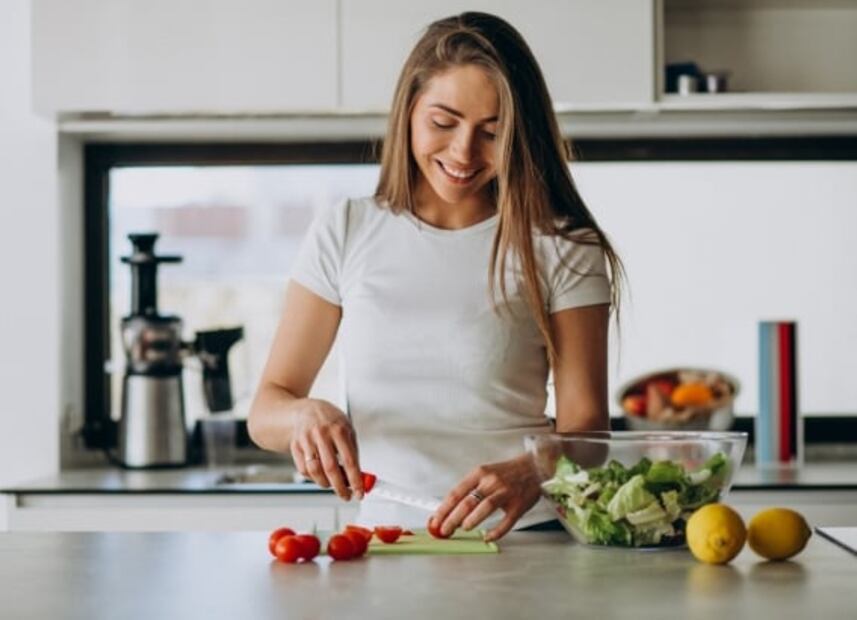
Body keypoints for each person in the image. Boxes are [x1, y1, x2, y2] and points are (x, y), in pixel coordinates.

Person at [247, 11, 624, 541]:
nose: (463, 153)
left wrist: (534, 469)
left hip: (520, 539)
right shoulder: (347, 229)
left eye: (492, 133)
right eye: (443, 123)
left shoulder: (562, 245)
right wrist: (303, 416)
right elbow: (267, 408)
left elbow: (588, 435)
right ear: (408, 112)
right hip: (383, 541)